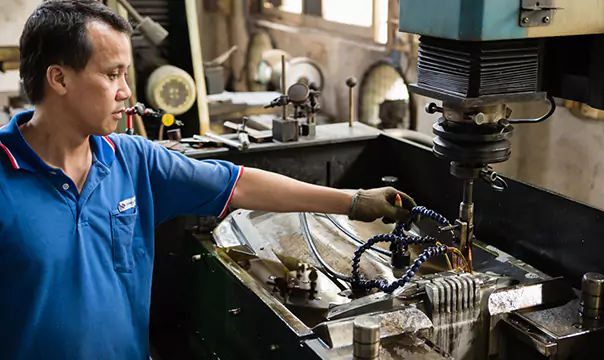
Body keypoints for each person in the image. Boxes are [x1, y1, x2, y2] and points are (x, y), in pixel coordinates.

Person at [0, 1, 417, 359]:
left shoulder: (133, 160)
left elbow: (238, 184)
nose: (126, 91)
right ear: (59, 79)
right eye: (112, 75)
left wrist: (354, 200)